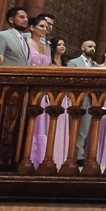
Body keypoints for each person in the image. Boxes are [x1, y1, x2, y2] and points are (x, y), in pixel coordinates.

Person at [27, 16, 68, 169]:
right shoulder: (27, 43)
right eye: (41, 26)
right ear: (32, 28)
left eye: (46, 27)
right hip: (32, 86)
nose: (45, 29)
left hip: (46, 89)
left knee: (43, 124)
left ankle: (43, 157)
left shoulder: (46, 48)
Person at [67, 40, 98, 166]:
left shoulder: (96, 66)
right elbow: (69, 79)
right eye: (90, 46)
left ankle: (79, 156)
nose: (92, 49)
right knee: (71, 126)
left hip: (89, 99)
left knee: (83, 130)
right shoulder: (73, 62)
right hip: (76, 98)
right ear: (82, 47)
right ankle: (68, 153)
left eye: (94, 47)